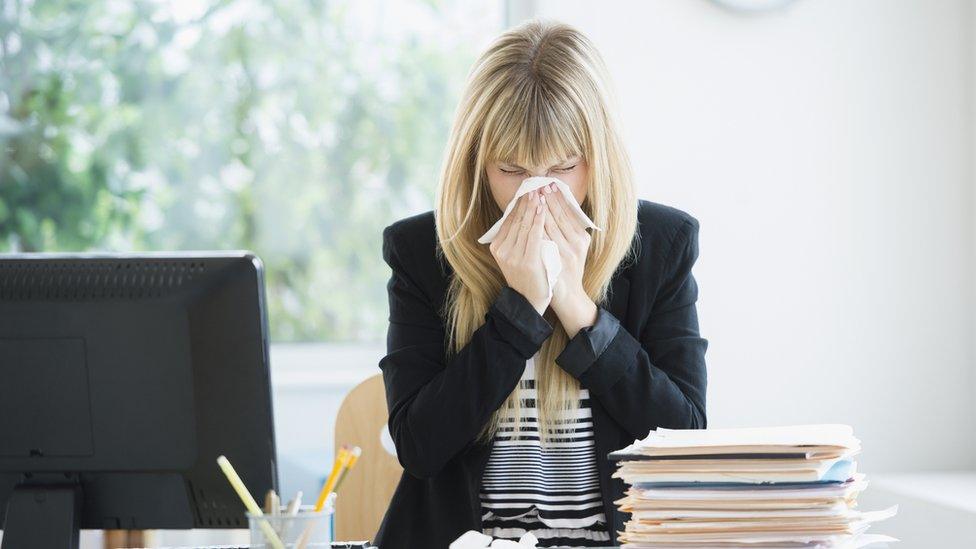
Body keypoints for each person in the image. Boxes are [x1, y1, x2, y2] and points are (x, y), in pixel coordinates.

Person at [375, 19, 708, 549]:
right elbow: (419, 446)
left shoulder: (662, 245)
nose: (537, 193)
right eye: (511, 169)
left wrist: (576, 306)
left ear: (597, 159)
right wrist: (520, 311)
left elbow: (683, 442)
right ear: (477, 162)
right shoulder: (421, 251)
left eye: (563, 166)